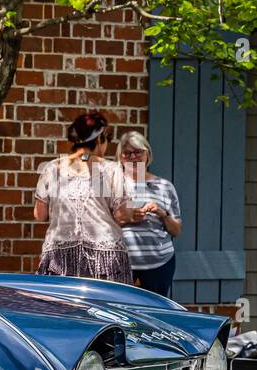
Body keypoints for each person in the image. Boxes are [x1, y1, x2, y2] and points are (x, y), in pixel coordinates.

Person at [33, 110, 145, 284]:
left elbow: (40, 215)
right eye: (107, 138)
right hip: (104, 257)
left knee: (62, 309)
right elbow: (121, 215)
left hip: (61, 257)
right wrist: (134, 213)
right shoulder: (111, 169)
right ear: (100, 139)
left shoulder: (52, 168)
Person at [117, 130, 182, 298]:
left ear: (148, 154)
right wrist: (126, 217)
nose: (133, 157)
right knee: (120, 311)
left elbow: (176, 231)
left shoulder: (164, 186)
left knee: (156, 312)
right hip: (120, 263)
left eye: (138, 152)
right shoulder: (111, 185)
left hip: (160, 263)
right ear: (120, 157)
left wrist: (163, 214)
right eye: (127, 153)